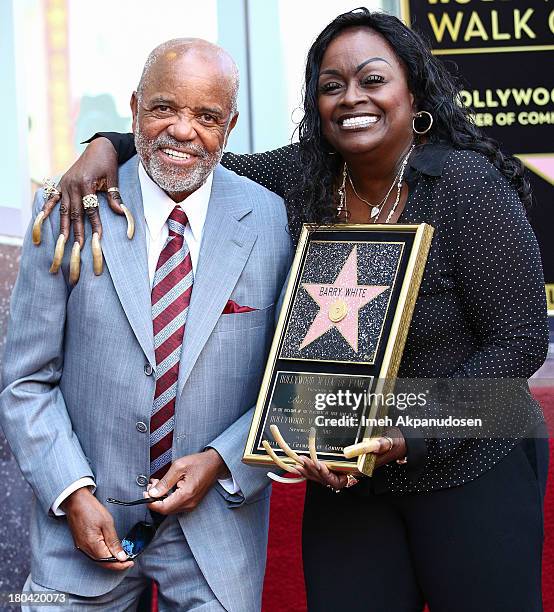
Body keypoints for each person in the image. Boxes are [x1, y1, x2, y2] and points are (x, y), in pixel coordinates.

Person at [36, 9, 549, 612]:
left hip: (469, 467)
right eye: (331, 86)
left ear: (414, 91)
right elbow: (195, 152)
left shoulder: (466, 184)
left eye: (371, 80)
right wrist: (107, 145)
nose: (351, 98)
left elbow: (520, 345)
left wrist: (405, 431)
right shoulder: (306, 175)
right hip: (346, 478)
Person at [0, 38, 293, 611]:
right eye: (164, 108)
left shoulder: (268, 218)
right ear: (133, 109)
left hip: (215, 531)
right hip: (82, 529)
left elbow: (286, 376)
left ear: (229, 126)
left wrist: (224, 459)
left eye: (206, 116)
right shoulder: (69, 209)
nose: (183, 131)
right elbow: (25, 380)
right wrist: (72, 494)